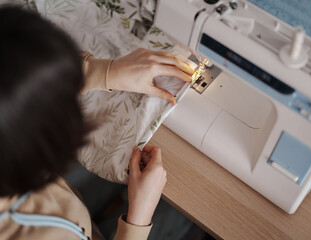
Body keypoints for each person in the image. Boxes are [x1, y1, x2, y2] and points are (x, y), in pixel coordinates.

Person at [0, 5, 194, 240]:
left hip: (66, 204)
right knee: (181, 215)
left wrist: (103, 71)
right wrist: (138, 219)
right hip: (78, 224)